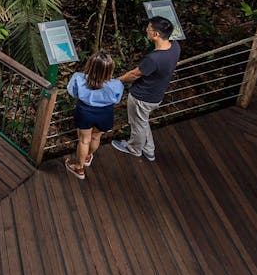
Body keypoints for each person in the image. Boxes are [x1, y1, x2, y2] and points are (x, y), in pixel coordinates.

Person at [112, 16, 181, 161]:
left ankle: (134, 148)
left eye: (149, 29)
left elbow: (135, 74)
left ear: (156, 34)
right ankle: (149, 150)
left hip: (142, 97)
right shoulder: (175, 47)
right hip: (156, 94)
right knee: (142, 121)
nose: (146, 30)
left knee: (137, 124)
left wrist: (116, 80)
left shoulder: (154, 59)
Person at [64, 51, 123, 180]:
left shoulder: (78, 78)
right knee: (96, 138)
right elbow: (117, 100)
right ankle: (87, 156)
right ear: (109, 70)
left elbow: (73, 93)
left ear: (90, 65)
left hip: (85, 111)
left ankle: (79, 168)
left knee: (84, 140)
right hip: (105, 113)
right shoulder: (116, 85)